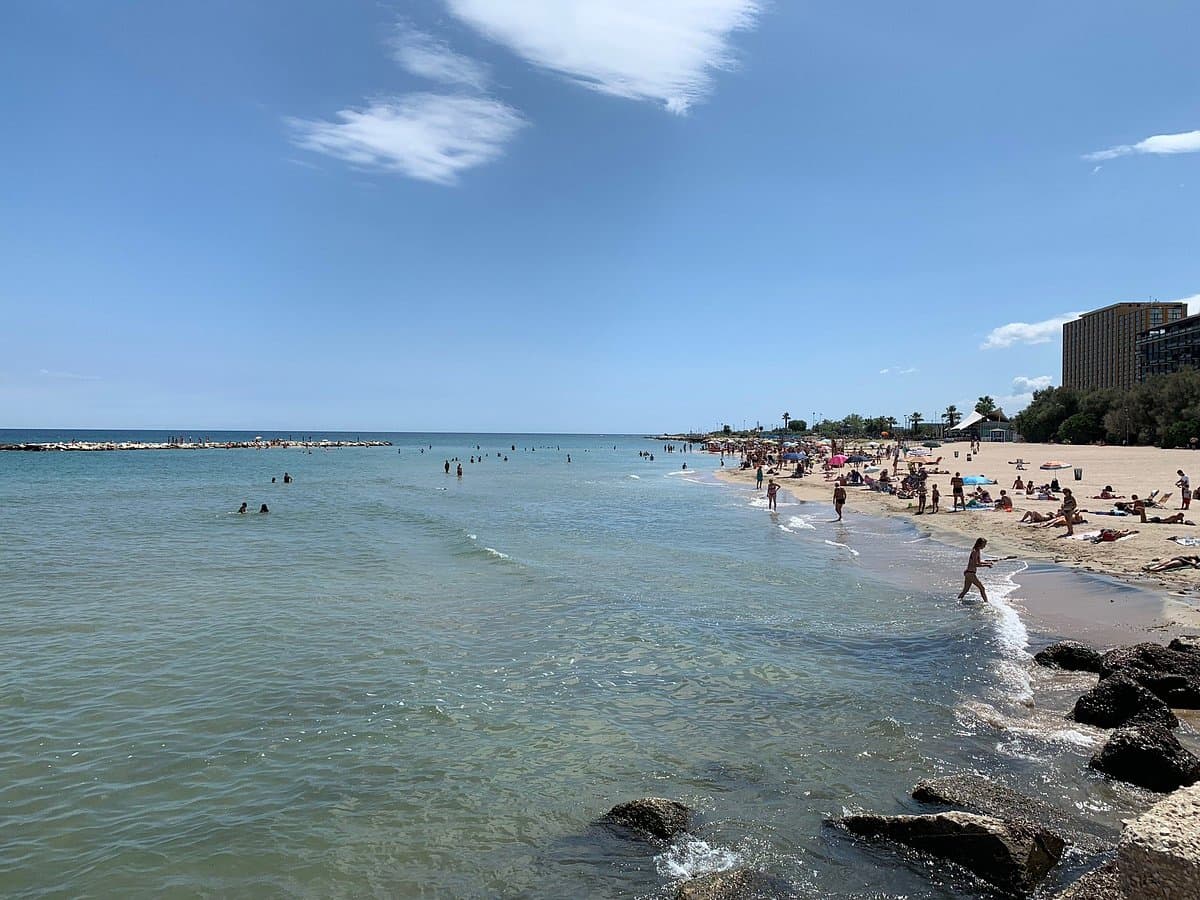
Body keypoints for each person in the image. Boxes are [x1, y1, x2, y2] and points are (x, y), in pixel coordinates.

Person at [957, 537, 993, 602]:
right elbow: (975, 564)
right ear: (980, 544)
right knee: (982, 588)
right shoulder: (974, 552)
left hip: (969, 573)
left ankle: (958, 601)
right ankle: (986, 603)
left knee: (965, 591)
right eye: (984, 544)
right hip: (970, 573)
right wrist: (986, 565)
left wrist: (988, 563)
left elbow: (979, 562)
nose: (984, 546)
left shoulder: (978, 551)